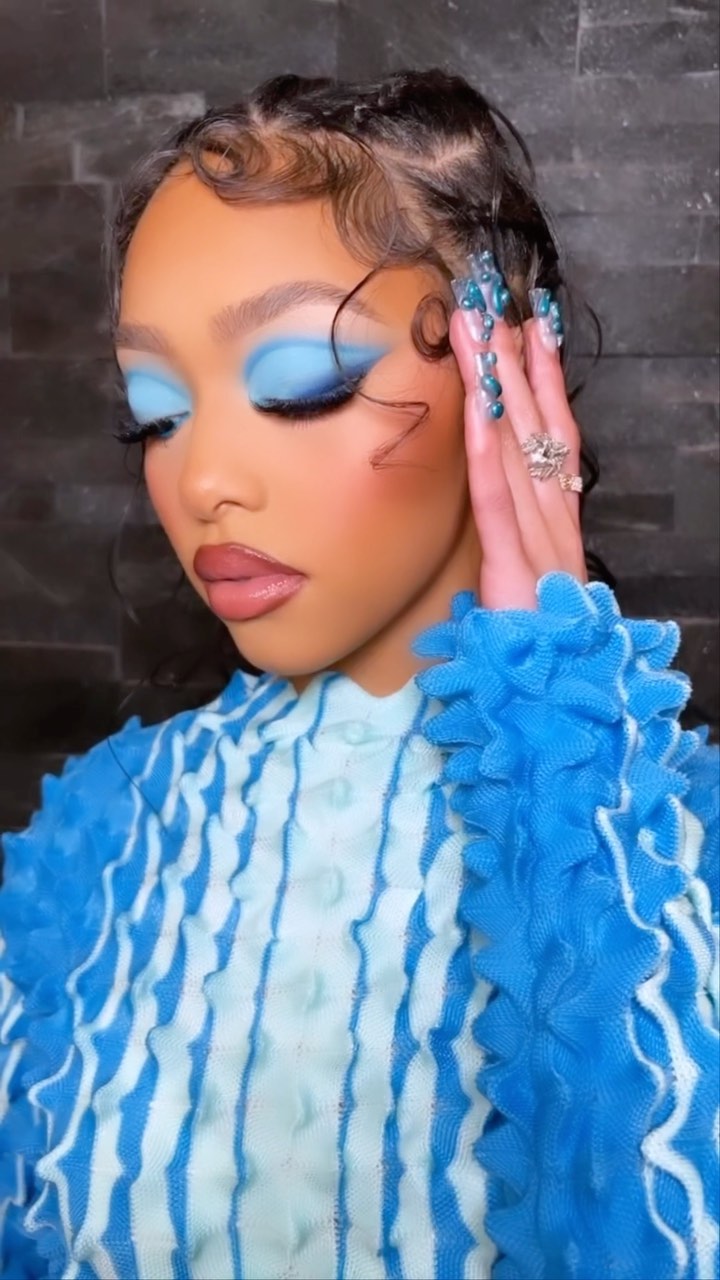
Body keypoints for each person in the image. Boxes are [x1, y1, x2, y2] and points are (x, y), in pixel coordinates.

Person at [1, 69, 717, 1280]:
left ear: (501, 373)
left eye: (301, 387)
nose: (202, 480)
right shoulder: (102, 842)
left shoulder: (653, 840)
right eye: (155, 413)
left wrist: (557, 701)